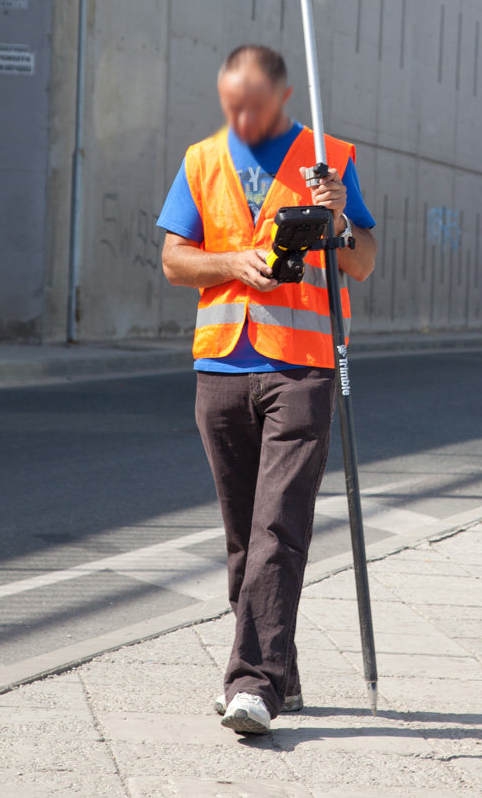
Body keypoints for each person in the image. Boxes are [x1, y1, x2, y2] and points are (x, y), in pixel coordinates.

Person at [158, 44, 376, 734]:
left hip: (302, 367)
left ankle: (253, 682)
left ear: (282, 97)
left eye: (251, 104)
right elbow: (172, 258)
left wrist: (339, 221)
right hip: (221, 367)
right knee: (242, 538)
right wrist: (230, 261)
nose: (239, 116)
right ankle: (279, 664)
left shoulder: (328, 159)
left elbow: (365, 261)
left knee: (278, 523)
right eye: (230, 103)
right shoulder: (201, 159)